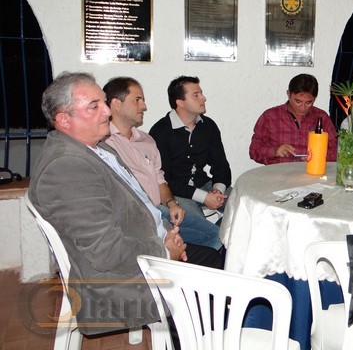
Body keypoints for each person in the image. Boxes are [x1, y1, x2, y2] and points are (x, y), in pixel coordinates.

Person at [28, 72, 219, 335]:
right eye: (94, 106)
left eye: (104, 102)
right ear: (64, 120)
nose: (107, 111)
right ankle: (192, 335)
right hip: (122, 281)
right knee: (217, 287)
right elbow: (106, 251)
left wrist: (168, 234)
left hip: (144, 247)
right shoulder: (66, 167)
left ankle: (196, 331)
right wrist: (164, 252)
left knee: (211, 258)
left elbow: (142, 204)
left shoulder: (96, 148)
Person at [104, 77, 223, 251]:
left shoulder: (146, 140)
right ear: (116, 104)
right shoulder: (104, 143)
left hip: (161, 209)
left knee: (224, 229)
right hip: (138, 217)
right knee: (210, 238)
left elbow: (160, 179)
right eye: (137, 100)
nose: (144, 106)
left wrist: (171, 203)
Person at [149, 76, 231, 217]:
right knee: (194, 221)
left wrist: (217, 190)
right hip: (176, 192)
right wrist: (204, 197)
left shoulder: (208, 125)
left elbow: (221, 165)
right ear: (180, 102)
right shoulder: (160, 131)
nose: (203, 98)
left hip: (204, 185)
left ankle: (223, 231)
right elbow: (164, 179)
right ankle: (215, 231)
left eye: (201, 93)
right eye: (196, 95)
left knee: (242, 207)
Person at [250, 73, 337, 164]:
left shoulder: (322, 118)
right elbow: (254, 150)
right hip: (279, 171)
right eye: (298, 101)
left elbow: (337, 151)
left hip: (312, 171)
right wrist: (275, 151)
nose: (302, 107)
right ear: (288, 94)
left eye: (308, 103)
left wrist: (318, 157)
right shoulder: (270, 116)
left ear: (314, 98)